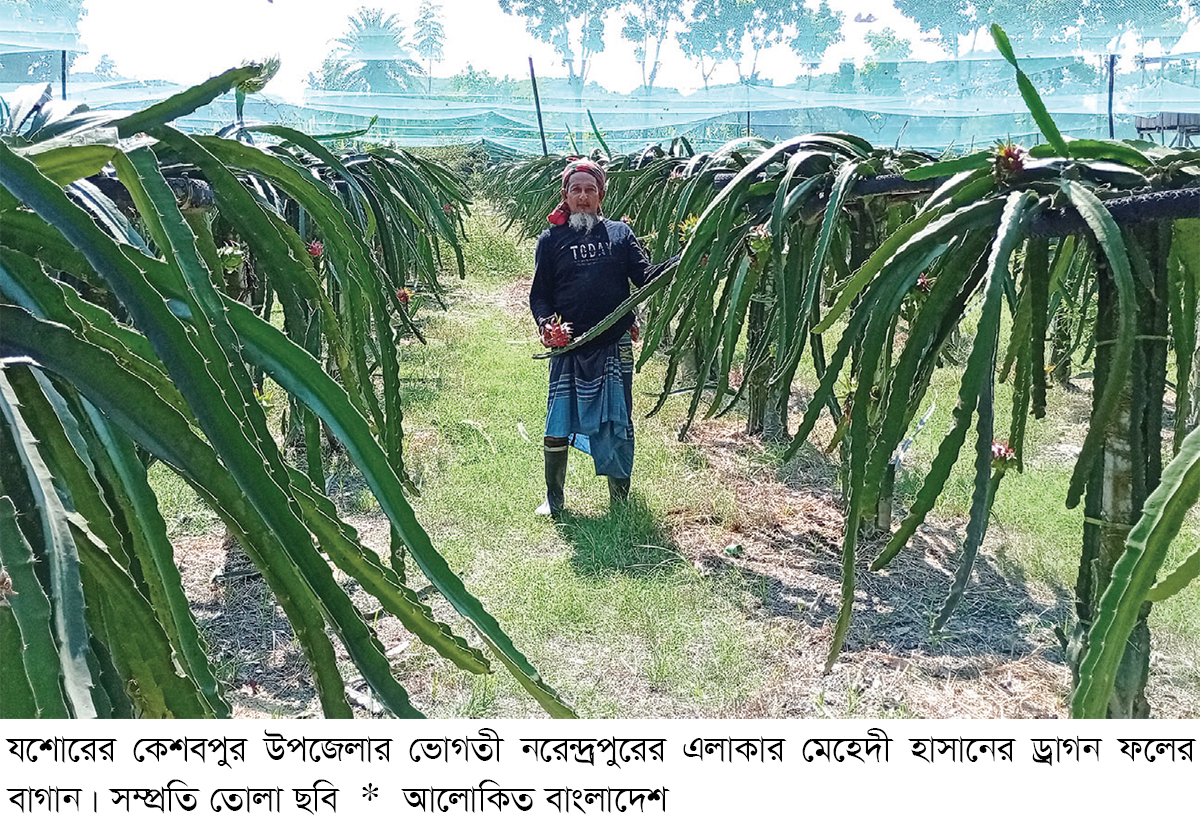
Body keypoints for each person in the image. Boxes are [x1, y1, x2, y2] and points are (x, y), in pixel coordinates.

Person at [529, 158, 652, 518]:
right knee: (557, 425)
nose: (583, 197)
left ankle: (620, 502)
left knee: (618, 422)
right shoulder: (551, 240)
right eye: (576, 190)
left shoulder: (620, 235)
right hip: (569, 346)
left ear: (601, 196)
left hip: (613, 344)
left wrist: (687, 258)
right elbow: (540, 295)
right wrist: (545, 325)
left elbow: (645, 276)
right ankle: (554, 499)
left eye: (590, 190)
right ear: (564, 196)